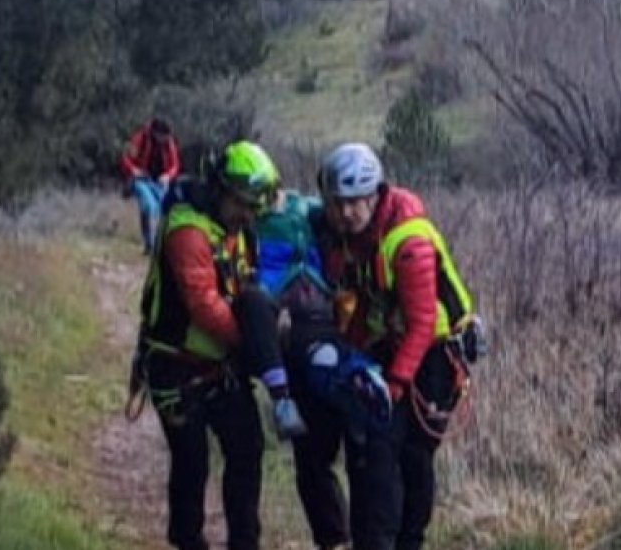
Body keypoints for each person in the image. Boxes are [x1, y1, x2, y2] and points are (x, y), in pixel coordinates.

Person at [134, 140, 305, 550]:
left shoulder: (238, 229)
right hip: (177, 367)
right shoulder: (188, 232)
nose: (249, 214)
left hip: (219, 369)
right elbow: (205, 307)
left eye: (255, 207)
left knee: (247, 449)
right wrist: (254, 345)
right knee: (192, 462)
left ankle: (244, 543)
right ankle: (187, 540)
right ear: (222, 191)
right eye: (244, 204)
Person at [315, 143, 483, 550]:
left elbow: (423, 322)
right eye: (338, 204)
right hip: (389, 348)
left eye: (355, 203)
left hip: (433, 358)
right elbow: (362, 306)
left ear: (375, 196)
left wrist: (392, 385)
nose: (346, 213)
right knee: (379, 453)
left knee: (411, 456)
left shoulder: (409, 242)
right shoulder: (350, 239)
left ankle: (404, 541)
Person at [255, 188, 391, 550]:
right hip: (335, 338)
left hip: (312, 338)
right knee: (350, 453)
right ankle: (350, 541)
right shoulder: (332, 224)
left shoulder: (336, 226)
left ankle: (336, 540)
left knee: (316, 457)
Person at [120, 117, 181, 254]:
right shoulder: (140, 138)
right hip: (141, 179)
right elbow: (125, 158)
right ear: (155, 133)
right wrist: (133, 170)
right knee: (147, 207)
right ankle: (150, 244)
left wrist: (168, 176)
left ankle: (162, 245)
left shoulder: (168, 143)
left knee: (165, 210)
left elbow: (175, 165)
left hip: (160, 182)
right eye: (162, 136)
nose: (165, 139)